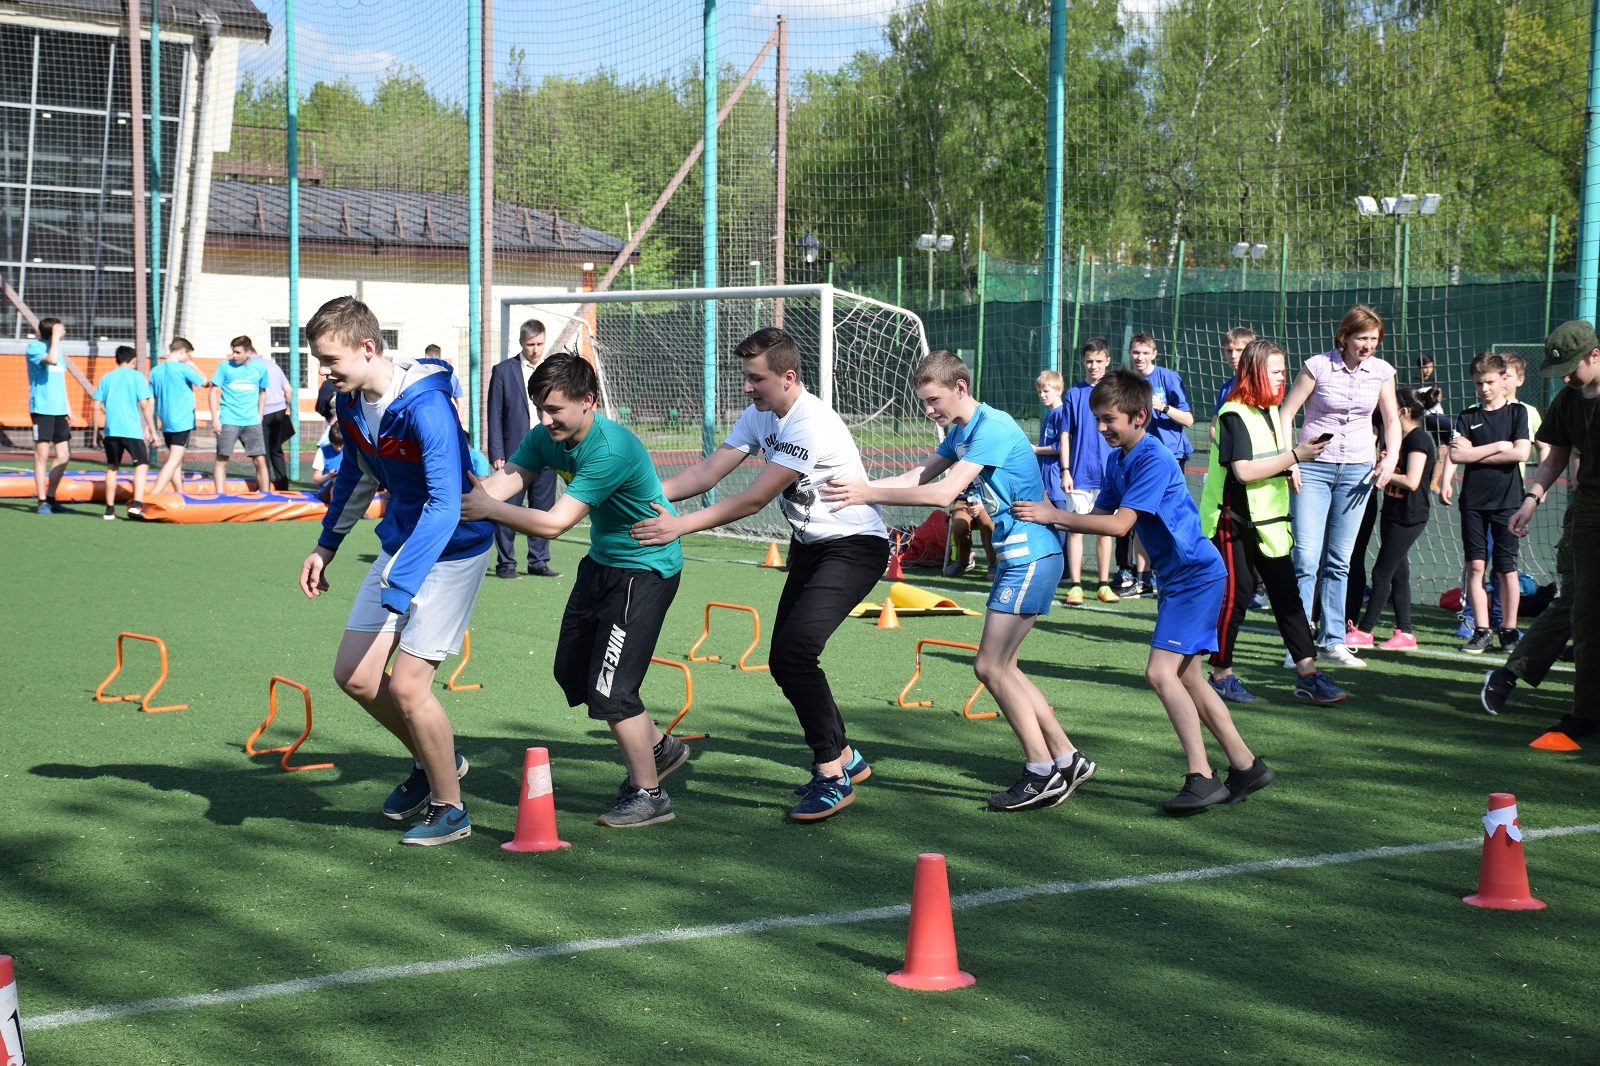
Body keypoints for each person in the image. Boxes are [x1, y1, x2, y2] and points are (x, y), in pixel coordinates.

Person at [630, 327, 888, 821]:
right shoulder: (759, 415)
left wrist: (677, 527)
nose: (747, 388)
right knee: (785, 658)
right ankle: (847, 758)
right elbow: (706, 475)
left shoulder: (810, 422)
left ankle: (832, 774)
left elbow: (753, 498)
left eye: (756, 379)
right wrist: (639, 497)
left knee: (795, 653)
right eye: (745, 377)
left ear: (788, 377)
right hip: (812, 548)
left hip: (855, 548)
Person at [822, 350, 1095, 813]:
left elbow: (945, 493)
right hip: (1017, 556)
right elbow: (918, 476)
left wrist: (868, 493)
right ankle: (1067, 757)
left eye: (934, 400)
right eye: (924, 403)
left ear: (960, 388)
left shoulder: (992, 427)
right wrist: (853, 488)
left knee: (990, 667)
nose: (930, 411)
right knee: (1004, 667)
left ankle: (1041, 771)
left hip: (1032, 555)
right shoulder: (962, 432)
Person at [1015, 368, 1273, 815]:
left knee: (1160, 674)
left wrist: (1051, 515)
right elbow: (1097, 513)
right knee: (1188, 676)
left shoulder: (1152, 456)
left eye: (1109, 419)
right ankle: (1246, 765)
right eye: (1097, 419)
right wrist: (1050, 506)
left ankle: (1202, 776)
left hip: (1195, 576)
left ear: (1139, 417)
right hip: (1181, 580)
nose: (1100, 428)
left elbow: (1118, 525)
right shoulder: (1120, 460)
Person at [464, 353, 688, 829]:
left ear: (588, 402)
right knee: (572, 673)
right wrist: (464, 499)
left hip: (644, 571)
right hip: (603, 566)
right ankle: (659, 746)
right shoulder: (546, 436)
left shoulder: (611, 449)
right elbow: (508, 481)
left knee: (612, 690)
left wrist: (487, 509)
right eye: (540, 410)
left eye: (555, 411)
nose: (546, 422)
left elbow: (554, 524)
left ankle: (649, 793)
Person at [299, 296, 493, 847]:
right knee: (355, 677)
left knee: (409, 687)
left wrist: (402, 582)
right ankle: (438, 761)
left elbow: (445, 504)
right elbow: (358, 478)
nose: (324, 371)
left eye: (330, 359)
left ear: (366, 347)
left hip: (452, 552)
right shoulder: (352, 403)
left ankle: (450, 808)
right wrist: (326, 546)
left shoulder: (426, 406)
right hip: (403, 549)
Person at [1195, 340, 1345, 705]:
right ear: (1256, 373)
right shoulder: (1233, 414)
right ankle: (1220, 675)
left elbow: (1273, 459)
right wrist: (1295, 456)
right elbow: (1243, 472)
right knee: (1235, 599)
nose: (1283, 378)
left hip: (1269, 523)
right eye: (1276, 371)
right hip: (1232, 523)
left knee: (1288, 598)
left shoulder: (1271, 411)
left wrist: (1291, 463)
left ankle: (1308, 675)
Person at [1279, 304, 1401, 670]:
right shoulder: (1318, 366)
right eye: (1362, 338)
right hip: (1313, 469)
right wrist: (1290, 461)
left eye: (1374, 340)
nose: (1368, 346)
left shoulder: (1381, 372)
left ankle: (1333, 640)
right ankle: (1297, 645)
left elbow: (1392, 418)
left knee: (1340, 560)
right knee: (1305, 559)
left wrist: (1390, 456)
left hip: (1357, 471)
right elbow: (1287, 414)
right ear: (1344, 337)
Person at [1509, 320, 1600, 750]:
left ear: (1594, 355)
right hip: (1589, 511)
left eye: (1571, 368)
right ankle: (1584, 713)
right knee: (1585, 612)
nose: (1565, 378)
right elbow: (1555, 457)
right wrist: (1531, 499)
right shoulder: (1568, 400)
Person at [1448, 351, 1531, 654]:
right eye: (1479, 383)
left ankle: (1508, 630)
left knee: (1506, 568)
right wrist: (1497, 446)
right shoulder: (1467, 417)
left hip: (1508, 502)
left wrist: (1476, 451)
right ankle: (1482, 630)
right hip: (1473, 501)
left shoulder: (1517, 413)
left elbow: (1521, 453)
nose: (1484, 388)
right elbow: (1457, 455)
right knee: (1476, 566)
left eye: (1490, 382)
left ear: (1504, 380)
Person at [1345, 386, 1435, 651]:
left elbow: (1411, 480)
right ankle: (1405, 633)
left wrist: (1379, 472)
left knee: (1381, 573)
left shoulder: (1419, 440)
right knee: (1398, 574)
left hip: (1410, 516)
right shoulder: (1395, 439)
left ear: (1403, 412)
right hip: (1393, 513)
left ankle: (1364, 630)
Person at [486, 319, 561, 579]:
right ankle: (506, 564)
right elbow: (494, 414)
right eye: (531, 344)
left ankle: (538, 561)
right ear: (521, 343)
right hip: (514, 454)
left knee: (542, 508)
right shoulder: (504, 371)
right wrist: (496, 452)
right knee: (507, 509)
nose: (535, 349)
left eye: (540, 343)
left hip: (548, 450)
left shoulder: (552, 371)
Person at [1127, 332, 1193, 596]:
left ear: (1154, 353)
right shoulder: (1129, 382)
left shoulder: (1168, 378)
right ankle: (1142, 579)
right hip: (1141, 458)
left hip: (1170, 457)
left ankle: (1173, 574)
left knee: (1170, 517)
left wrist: (1163, 407)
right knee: (1141, 518)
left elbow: (1188, 419)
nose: (1140, 357)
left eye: (1145, 353)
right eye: (1135, 352)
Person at [1060, 338, 1118, 604]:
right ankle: (1076, 584)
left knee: (1106, 529)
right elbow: (1065, 435)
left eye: (1098, 361)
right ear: (1084, 363)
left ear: (1107, 360)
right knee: (1077, 529)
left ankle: (1104, 584)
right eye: (1089, 361)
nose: (1093, 366)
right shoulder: (1074, 394)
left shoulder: (1116, 393)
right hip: (1080, 474)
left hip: (1109, 474)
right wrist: (1066, 470)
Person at [90, 345, 157, 520]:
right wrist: (152, 429)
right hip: (131, 431)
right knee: (141, 465)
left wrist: (96, 431)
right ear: (133, 360)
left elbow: (96, 405)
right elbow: (144, 404)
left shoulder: (106, 378)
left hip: (111, 431)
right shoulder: (137, 377)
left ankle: (109, 510)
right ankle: (136, 504)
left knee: (112, 468)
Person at [148, 337, 211, 497]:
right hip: (181, 421)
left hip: (166, 421)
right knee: (174, 461)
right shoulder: (183, 368)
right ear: (182, 352)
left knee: (175, 461)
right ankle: (152, 495)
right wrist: (193, 365)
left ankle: (180, 493)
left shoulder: (156, 370)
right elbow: (205, 382)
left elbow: (150, 400)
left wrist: (149, 426)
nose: (188, 359)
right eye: (188, 355)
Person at [210, 340, 272, 495]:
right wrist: (215, 419)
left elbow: (263, 392)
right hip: (228, 420)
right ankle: (220, 497)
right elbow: (213, 392)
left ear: (248, 353)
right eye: (233, 351)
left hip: (252, 421)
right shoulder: (224, 367)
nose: (234, 355)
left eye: (238, 352)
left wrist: (260, 415)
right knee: (222, 460)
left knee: (260, 460)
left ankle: (265, 496)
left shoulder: (260, 368)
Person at [26, 317, 72, 514]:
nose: (63, 330)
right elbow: (51, 360)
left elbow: (60, 380)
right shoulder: (34, 348)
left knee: (64, 455)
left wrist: (67, 408)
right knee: (42, 455)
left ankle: (51, 497)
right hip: (42, 409)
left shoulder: (58, 349)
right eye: (59, 328)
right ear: (52, 331)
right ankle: (41, 501)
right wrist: (55, 338)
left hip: (59, 410)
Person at [243, 338, 295, 491]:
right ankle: (282, 485)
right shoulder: (273, 365)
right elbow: (288, 389)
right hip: (279, 411)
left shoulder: (251, 367)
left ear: (248, 353)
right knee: (276, 449)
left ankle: (263, 486)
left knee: (262, 450)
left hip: (262, 412)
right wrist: (287, 405)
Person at [1214, 326, 1256, 412]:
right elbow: (1215, 421)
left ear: (1252, 351)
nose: (1233, 356)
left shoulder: (1260, 383)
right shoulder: (1225, 388)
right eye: (1229, 351)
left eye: (1239, 350)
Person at [311, 421, 345, 503]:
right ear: (331, 441)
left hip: (346, 486)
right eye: (336, 445)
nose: (339, 448)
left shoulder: (350, 450)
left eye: (341, 445)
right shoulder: (322, 451)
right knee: (336, 480)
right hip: (326, 490)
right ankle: (335, 510)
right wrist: (329, 476)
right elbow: (316, 480)